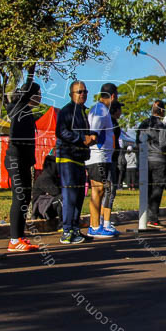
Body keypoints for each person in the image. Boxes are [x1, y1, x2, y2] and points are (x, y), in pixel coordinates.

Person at [55, 81, 97, 244]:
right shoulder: (67, 111)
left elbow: (82, 134)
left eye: (85, 91)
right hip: (67, 157)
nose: (83, 94)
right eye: (80, 92)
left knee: (79, 196)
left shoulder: (81, 112)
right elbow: (61, 131)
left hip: (80, 158)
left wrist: (92, 137)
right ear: (71, 94)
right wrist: (81, 138)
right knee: (70, 195)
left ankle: (75, 229)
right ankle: (66, 231)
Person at [4, 80, 42, 252]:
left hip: (25, 160)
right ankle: (14, 239)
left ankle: (19, 236)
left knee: (25, 197)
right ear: (31, 95)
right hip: (16, 158)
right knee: (19, 197)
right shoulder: (20, 110)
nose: (41, 97)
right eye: (38, 93)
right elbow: (16, 137)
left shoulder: (26, 111)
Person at [85, 83, 120, 239]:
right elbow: (93, 133)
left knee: (101, 190)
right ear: (112, 96)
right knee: (97, 190)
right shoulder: (100, 109)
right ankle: (94, 226)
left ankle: (98, 224)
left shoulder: (102, 109)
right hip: (98, 156)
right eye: (117, 96)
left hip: (102, 157)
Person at [137, 100, 166, 230]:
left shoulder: (143, 123)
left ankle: (143, 217)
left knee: (146, 189)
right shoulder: (161, 124)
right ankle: (153, 219)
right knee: (157, 189)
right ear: (161, 110)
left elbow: (137, 142)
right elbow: (163, 143)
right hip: (158, 159)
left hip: (145, 160)